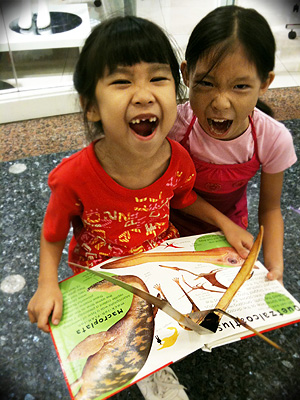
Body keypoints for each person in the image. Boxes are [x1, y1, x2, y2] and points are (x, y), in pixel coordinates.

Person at [27, 15, 253, 400]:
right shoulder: (73, 177)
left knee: (187, 316)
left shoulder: (178, 159)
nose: (145, 93)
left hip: (159, 256)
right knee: (126, 334)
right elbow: (52, 233)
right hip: (104, 272)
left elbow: (184, 198)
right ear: (91, 107)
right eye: (121, 81)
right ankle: (151, 373)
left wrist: (225, 225)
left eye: (157, 78)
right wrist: (46, 284)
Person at [169, 5, 297, 285]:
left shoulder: (272, 138)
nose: (221, 102)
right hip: (170, 227)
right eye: (206, 83)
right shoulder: (172, 126)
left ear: (265, 83)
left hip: (229, 232)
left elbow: (271, 209)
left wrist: (275, 267)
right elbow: (170, 193)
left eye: (240, 87)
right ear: (186, 74)